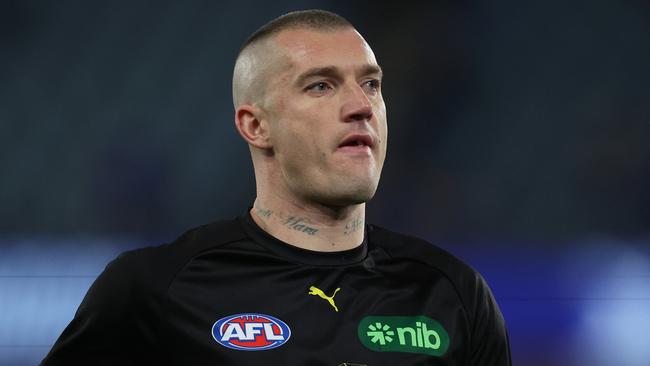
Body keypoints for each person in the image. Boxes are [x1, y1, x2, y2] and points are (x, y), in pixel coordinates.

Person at [41, 9, 511, 366]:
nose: (361, 106)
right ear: (255, 125)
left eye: (371, 84)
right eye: (321, 86)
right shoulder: (153, 290)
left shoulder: (453, 294)